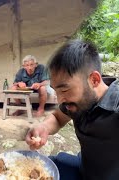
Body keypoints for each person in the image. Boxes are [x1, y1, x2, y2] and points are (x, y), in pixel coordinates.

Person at [25, 40, 119, 180]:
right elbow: (58, 117)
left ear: (94, 80)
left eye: (64, 89)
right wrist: (43, 127)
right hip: (83, 169)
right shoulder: (75, 102)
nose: (59, 99)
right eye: (56, 91)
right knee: (34, 169)